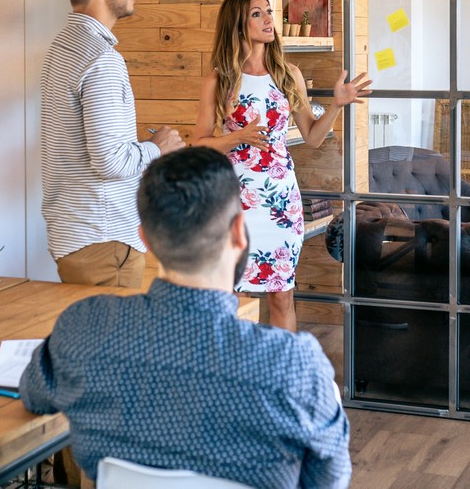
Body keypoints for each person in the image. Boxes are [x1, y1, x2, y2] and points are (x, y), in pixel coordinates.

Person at [20, 147, 352, 489]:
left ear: (145, 239)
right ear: (239, 232)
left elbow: (34, 394)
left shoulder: (82, 329)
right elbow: (328, 480)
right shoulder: (294, 365)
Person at [193, 0, 371, 332]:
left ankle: (281, 377)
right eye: (257, 14)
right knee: (229, 296)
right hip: (235, 201)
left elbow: (313, 137)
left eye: (269, 12)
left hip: (280, 200)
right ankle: (232, 377)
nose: (269, 20)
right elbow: (199, 142)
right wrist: (236, 137)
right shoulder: (219, 79)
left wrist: (337, 104)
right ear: (238, 25)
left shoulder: (288, 74)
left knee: (282, 295)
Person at [40, 0, 183, 287]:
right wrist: (158, 148)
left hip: (77, 232)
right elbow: (110, 162)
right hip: (104, 237)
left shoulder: (62, 45)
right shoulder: (102, 59)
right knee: (118, 343)